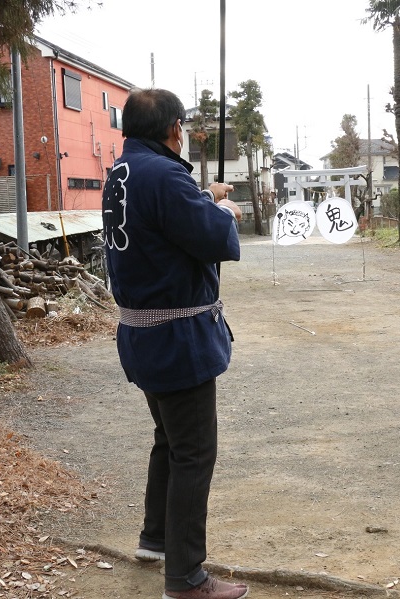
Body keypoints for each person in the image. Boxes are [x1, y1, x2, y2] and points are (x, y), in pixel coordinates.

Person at [101, 88, 248, 599]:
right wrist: (222, 212)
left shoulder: (124, 172)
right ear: (173, 128)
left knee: (169, 439)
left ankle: (156, 539)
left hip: (142, 333)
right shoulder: (165, 175)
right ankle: (186, 579)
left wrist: (203, 198)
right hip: (176, 339)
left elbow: (163, 222)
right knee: (194, 451)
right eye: (182, 126)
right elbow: (214, 241)